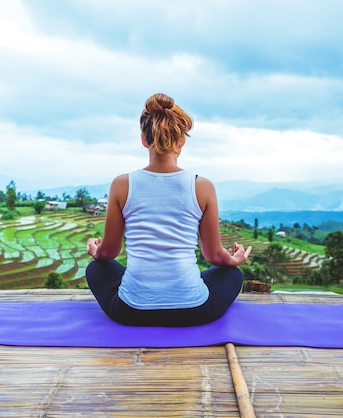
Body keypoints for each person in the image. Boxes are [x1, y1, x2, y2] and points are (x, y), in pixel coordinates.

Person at [86, 93, 251, 327]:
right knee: (232, 275)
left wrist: (95, 251)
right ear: (182, 141)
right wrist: (235, 260)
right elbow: (214, 256)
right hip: (194, 311)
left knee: (97, 269)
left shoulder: (121, 184)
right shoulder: (202, 186)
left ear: (144, 139)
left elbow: (108, 253)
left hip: (130, 311)